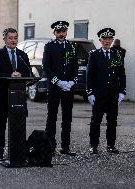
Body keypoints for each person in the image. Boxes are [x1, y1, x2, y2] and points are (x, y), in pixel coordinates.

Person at [0, 28, 31, 160]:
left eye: (15, 38)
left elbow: (28, 73)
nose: (13, 40)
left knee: (18, 125)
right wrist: (9, 75)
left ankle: (17, 152)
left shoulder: (23, 55)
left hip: (18, 96)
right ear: (5, 40)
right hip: (2, 96)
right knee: (0, 126)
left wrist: (21, 75)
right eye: (10, 38)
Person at [86, 28, 126, 154]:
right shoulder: (94, 55)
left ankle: (111, 146)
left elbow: (122, 74)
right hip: (99, 94)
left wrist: (122, 91)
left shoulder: (117, 54)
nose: (107, 41)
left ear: (112, 40)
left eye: (109, 39)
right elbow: (89, 75)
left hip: (113, 94)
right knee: (96, 121)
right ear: (100, 40)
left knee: (112, 121)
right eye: (104, 39)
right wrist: (90, 92)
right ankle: (94, 146)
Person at [42, 21, 78, 156]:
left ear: (66, 32)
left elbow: (75, 66)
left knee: (67, 117)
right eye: (58, 32)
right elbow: (46, 67)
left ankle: (66, 147)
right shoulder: (49, 46)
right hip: (54, 88)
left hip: (68, 88)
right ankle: (50, 147)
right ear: (54, 33)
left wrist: (72, 82)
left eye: (63, 31)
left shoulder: (72, 46)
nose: (61, 34)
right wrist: (57, 82)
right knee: (52, 117)